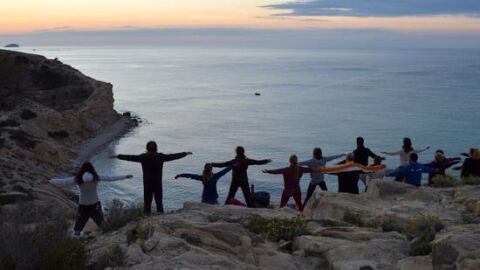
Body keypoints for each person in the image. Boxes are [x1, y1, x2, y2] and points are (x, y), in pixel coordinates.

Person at [45, 162, 133, 235]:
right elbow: (111, 178)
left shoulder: (77, 179)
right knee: (101, 223)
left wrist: (49, 181)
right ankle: (107, 235)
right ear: (92, 169)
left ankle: (77, 236)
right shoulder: (96, 177)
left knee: (80, 222)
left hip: (83, 204)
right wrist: (125, 176)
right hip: (94, 204)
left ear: (82, 170)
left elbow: (63, 182)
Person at [111, 141, 192, 214]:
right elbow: (173, 156)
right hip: (157, 184)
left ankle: (146, 220)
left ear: (147, 149)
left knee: (147, 205)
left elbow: (130, 157)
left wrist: (118, 156)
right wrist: (185, 153)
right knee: (159, 204)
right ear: (156, 148)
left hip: (147, 185)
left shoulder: (143, 157)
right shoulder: (160, 157)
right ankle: (160, 221)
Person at [321, 153, 386, 194]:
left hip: (342, 193)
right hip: (354, 192)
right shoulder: (358, 168)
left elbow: (327, 171)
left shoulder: (339, 169)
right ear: (353, 159)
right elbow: (368, 170)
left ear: (346, 159)